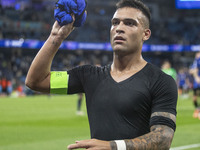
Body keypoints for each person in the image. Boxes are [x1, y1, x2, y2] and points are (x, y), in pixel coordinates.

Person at [25, 0, 178, 149]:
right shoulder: (88, 76)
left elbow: (163, 139)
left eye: (129, 23)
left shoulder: (161, 81)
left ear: (146, 34)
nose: (119, 28)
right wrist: (56, 36)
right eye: (115, 22)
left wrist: (112, 146)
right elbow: (36, 81)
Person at [189, 52, 200, 119]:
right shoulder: (196, 61)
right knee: (194, 98)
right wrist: (196, 77)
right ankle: (197, 108)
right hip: (197, 82)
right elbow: (191, 70)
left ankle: (198, 111)